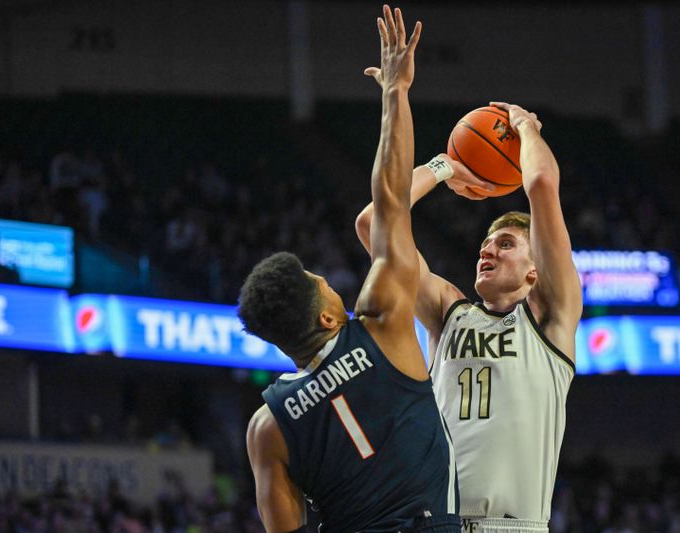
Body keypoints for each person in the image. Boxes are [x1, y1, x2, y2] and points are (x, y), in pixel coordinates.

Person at [241, 6, 460, 532]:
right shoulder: (382, 323)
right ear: (325, 319)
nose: (330, 281)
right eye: (321, 283)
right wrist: (396, 94)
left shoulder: (267, 426)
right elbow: (388, 203)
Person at [355, 103, 582, 532]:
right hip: (435, 523)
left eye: (506, 244)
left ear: (535, 271)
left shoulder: (552, 320)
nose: (487, 250)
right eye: (485, 243)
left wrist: (525, 128)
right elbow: (372, 224)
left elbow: (540, 182)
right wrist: (444, 167)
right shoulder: (448, 311)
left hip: (514, 525)